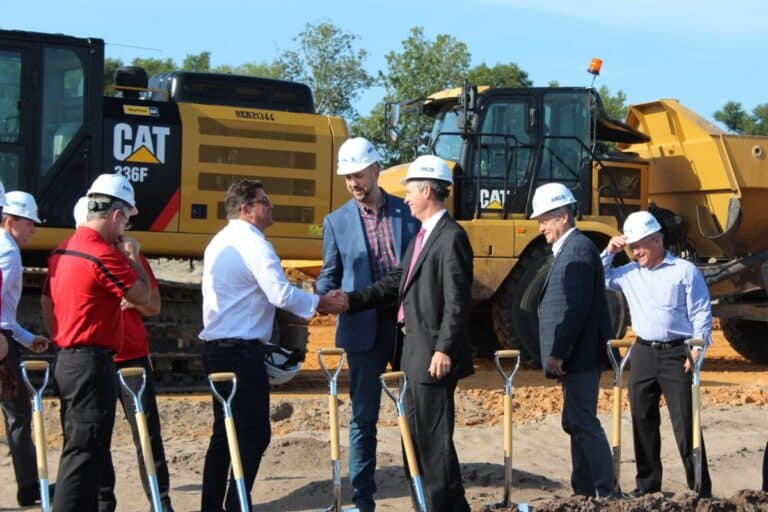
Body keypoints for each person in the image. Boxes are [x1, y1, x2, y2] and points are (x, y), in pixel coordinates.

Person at [333, 155, 474, 512]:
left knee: (434, 444)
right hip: (414, 353)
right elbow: (396, 282)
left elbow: (458, 302)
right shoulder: (424, 236)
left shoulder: (451, 237)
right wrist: (350, 300)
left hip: (432, 357)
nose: (405, 198)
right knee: (414, 442)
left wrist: (444, 349)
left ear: (427, 191)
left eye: (410, 191)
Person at [198, 179, 343, 512]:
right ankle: (236, 505)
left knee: (225, 435)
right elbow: (280, 294)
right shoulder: (254, 243)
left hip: (218, 349)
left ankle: (212, 506)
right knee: (253, 434)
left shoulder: (219, 241)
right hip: (240, 352)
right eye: (265, 201)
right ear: (247, 209)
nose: (271, 206)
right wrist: (320, 302)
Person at [315, 137, 419, 512]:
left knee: (415, 414)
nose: (354, 184)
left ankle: (420, 492)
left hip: (409, 329)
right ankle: (363, 501)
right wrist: (323, 296)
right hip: (363, 329)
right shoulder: (336, 222)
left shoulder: (408, 213)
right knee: (363, 418)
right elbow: (330, 274)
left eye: (359, 175)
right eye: (348, 178)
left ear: (376, 170)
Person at [42, 174, 151, 512]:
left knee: (84, 449)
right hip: (91, 363)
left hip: (69, 359)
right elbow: (143, 296)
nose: (126, 228)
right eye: (127, 219)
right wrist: (132, 256)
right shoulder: (103, 253)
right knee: (84, 452)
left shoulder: (63, 249)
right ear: (117, 214)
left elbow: (47, 303)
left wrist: (64, 337)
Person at [68, 197, 174, 512]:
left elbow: (153, 306)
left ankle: (160, 501)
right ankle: (103, 501)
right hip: (97, 359)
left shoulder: (131, 258)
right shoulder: (79, 257)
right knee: (97, 435)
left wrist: (135, 298)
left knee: (147, 435)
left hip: (132, 359)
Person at [601, 210, 712, 497]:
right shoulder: (629, 273)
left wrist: (697, 349)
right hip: (643, 353)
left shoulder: (685, 272)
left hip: (679, 354)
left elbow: (701, 312)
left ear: (656, 240)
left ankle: (700, 487)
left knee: (686, 423)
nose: (635, 252)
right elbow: (599, 278)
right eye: (631, 247)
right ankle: (648, 485)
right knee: (642, 420)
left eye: (639, 245)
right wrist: (610, 251)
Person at [531, 182, 613, 498]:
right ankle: (585, 489)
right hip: (576, 356)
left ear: (563, 216)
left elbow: (575, 308)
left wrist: (558, 354)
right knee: (575, 421)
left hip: (578, 356)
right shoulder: (570, 248)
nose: (540, 228)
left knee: (583, 421)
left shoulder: (577, 249)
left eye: (544, 220)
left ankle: (604, 490)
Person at [0, 190, 52, 506]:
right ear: (11, 220)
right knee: (18, 419)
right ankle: (29, 489)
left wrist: (27, 338)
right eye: (29, 223)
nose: (33, 229)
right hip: (2, 350)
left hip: (7, 338)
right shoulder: (8, 253)